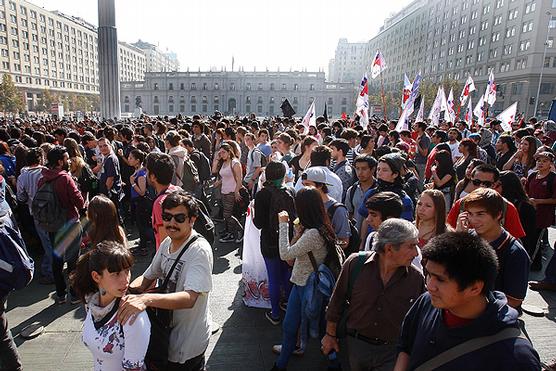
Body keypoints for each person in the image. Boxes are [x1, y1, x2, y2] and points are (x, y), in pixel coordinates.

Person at [394, 232, 541, 371]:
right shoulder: (427, 302)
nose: (430, 286)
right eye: (429, 275)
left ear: (475, 288)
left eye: (440, 279)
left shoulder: (516, 357)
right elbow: (406, 346)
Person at [118, 191, 213, 371]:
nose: (171, 223)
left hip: (188, 343)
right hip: (168, 336)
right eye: (167, 217)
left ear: (192, 219)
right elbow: (148, 277)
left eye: (179, 218)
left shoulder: (199, 251)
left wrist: (146, 299)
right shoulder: (167, 242)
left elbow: (190, 298)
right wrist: (124, 292)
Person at [323, 219, 424, 371]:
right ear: (389, 248)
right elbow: (336, 302)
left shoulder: (416, 279)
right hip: (355, 348)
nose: (416, 252)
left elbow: (420, 319)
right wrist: (330, 335)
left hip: (391, 353)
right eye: (411, 246)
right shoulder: (355, 264)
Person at [270, 186, 341, 371]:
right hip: (301, 284)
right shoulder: (315, 228)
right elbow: (292, 258)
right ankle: (281, 364)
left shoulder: (314, 234)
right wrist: (297, 231)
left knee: (318, 328)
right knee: (289, 326)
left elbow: (285, 254)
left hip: (311, 288)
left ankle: (334, 363)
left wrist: (283, 224)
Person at [71, 241, 150, 371]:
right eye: (116, 274)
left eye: (127, 271)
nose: (125, 280)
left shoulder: (132, 316)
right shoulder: (91, 301)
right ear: (96, 276)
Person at [456, 188, 530, 309]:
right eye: (470, 213)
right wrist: (458, 239)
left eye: (480, 214)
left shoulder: (515, 253)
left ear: (498, 214)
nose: (474, 220)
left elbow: (514, 300)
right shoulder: (466, 237)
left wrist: (475, 301)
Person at [38, 145, 85, 304]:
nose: (69, 161)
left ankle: (60, 294)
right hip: (70, 222)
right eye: (66, 158)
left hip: (52, 225)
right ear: (59, 162)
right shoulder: (65, 178)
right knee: (73, 261)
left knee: (57, 259)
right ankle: (74, 294)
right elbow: (79, 202)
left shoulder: (43, 177)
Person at [253, 161, 296, 325]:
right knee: (287, 273)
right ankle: (289, 306)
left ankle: (275, 313)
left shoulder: (262, 194)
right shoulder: (291, 190)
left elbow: (259, 223)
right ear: (283, 175)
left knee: (273, 278)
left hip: (269, 241)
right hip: (288, 240)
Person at [447, 164, 526, 240]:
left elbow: (515, 238)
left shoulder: (506, 207)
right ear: (471, 181)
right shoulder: (461, 204)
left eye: (487, 184)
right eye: (477, 182)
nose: (481, 186)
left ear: (495, 184)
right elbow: (448, 231)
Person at [358, 153, 415, 244]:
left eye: (384, 170)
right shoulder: (371, 193)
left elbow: (405, 228)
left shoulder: (404, 199)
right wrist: (362, 244)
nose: (379, 173)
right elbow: (365, 220)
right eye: (378, 169)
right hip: (371, 241)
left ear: (395, 174)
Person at [16, 147, 53, 284]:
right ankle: (52, 268)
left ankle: (50, 271)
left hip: (37, 213)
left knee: (47, 243)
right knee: (54, 241)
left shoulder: (23, 176)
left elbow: (20, 197)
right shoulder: (47, 172)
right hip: (54, 210)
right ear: (41, 159)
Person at [499, 171, 537, 269]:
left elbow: (529, 234)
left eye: (498, 184)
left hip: (516, 248)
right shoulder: (497, 202)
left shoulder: (525, 206)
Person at [525, 150, 556, 271]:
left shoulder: (553, 178)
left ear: (551, 163)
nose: (541, 163)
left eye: (545, 161)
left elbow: (554, 199)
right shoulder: (532, 175)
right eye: (538, 160)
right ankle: (534, 264)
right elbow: (526, 191)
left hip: (543, 216)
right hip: (530, 214)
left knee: (536, 241)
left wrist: (538, 201)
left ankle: (532, 264)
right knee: (529, 239)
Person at [212, 142, 243, 244]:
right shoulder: (224, 162)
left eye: (223, 152)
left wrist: (237, 191)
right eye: (220, 153)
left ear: (229, 152)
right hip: (223, 191)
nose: (221, 154)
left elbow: (239, 179)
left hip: (231, 192)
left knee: (227, 215)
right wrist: (218, 183)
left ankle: (240, 230)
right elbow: (217, 172)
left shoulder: (235, 163)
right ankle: (231, 232)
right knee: (226, 214)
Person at [128, 148, 154, 256]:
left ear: (138, 160)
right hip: (138, 202)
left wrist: (132, 183)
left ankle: (143, 247)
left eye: (131, 158)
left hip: (141, 203)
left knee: (142, 225)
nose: (128, 160)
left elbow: (142, 192)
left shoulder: (141, 174)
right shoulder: (138, 171)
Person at [345, 155, 377, 232]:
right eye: (357, 169)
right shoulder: (352, 190)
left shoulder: (379, 190)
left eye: (364, 169)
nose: (360, 172)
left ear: (372, 169)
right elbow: (349, 214)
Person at [414, 121, 431, 191]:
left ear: (420, 128)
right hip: (417, 161)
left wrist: (417, 144)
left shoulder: (425, 138)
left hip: (422, 163)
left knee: (420, 181)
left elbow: (424, 153)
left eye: (416, 126)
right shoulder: (419, 136)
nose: (414, 127)